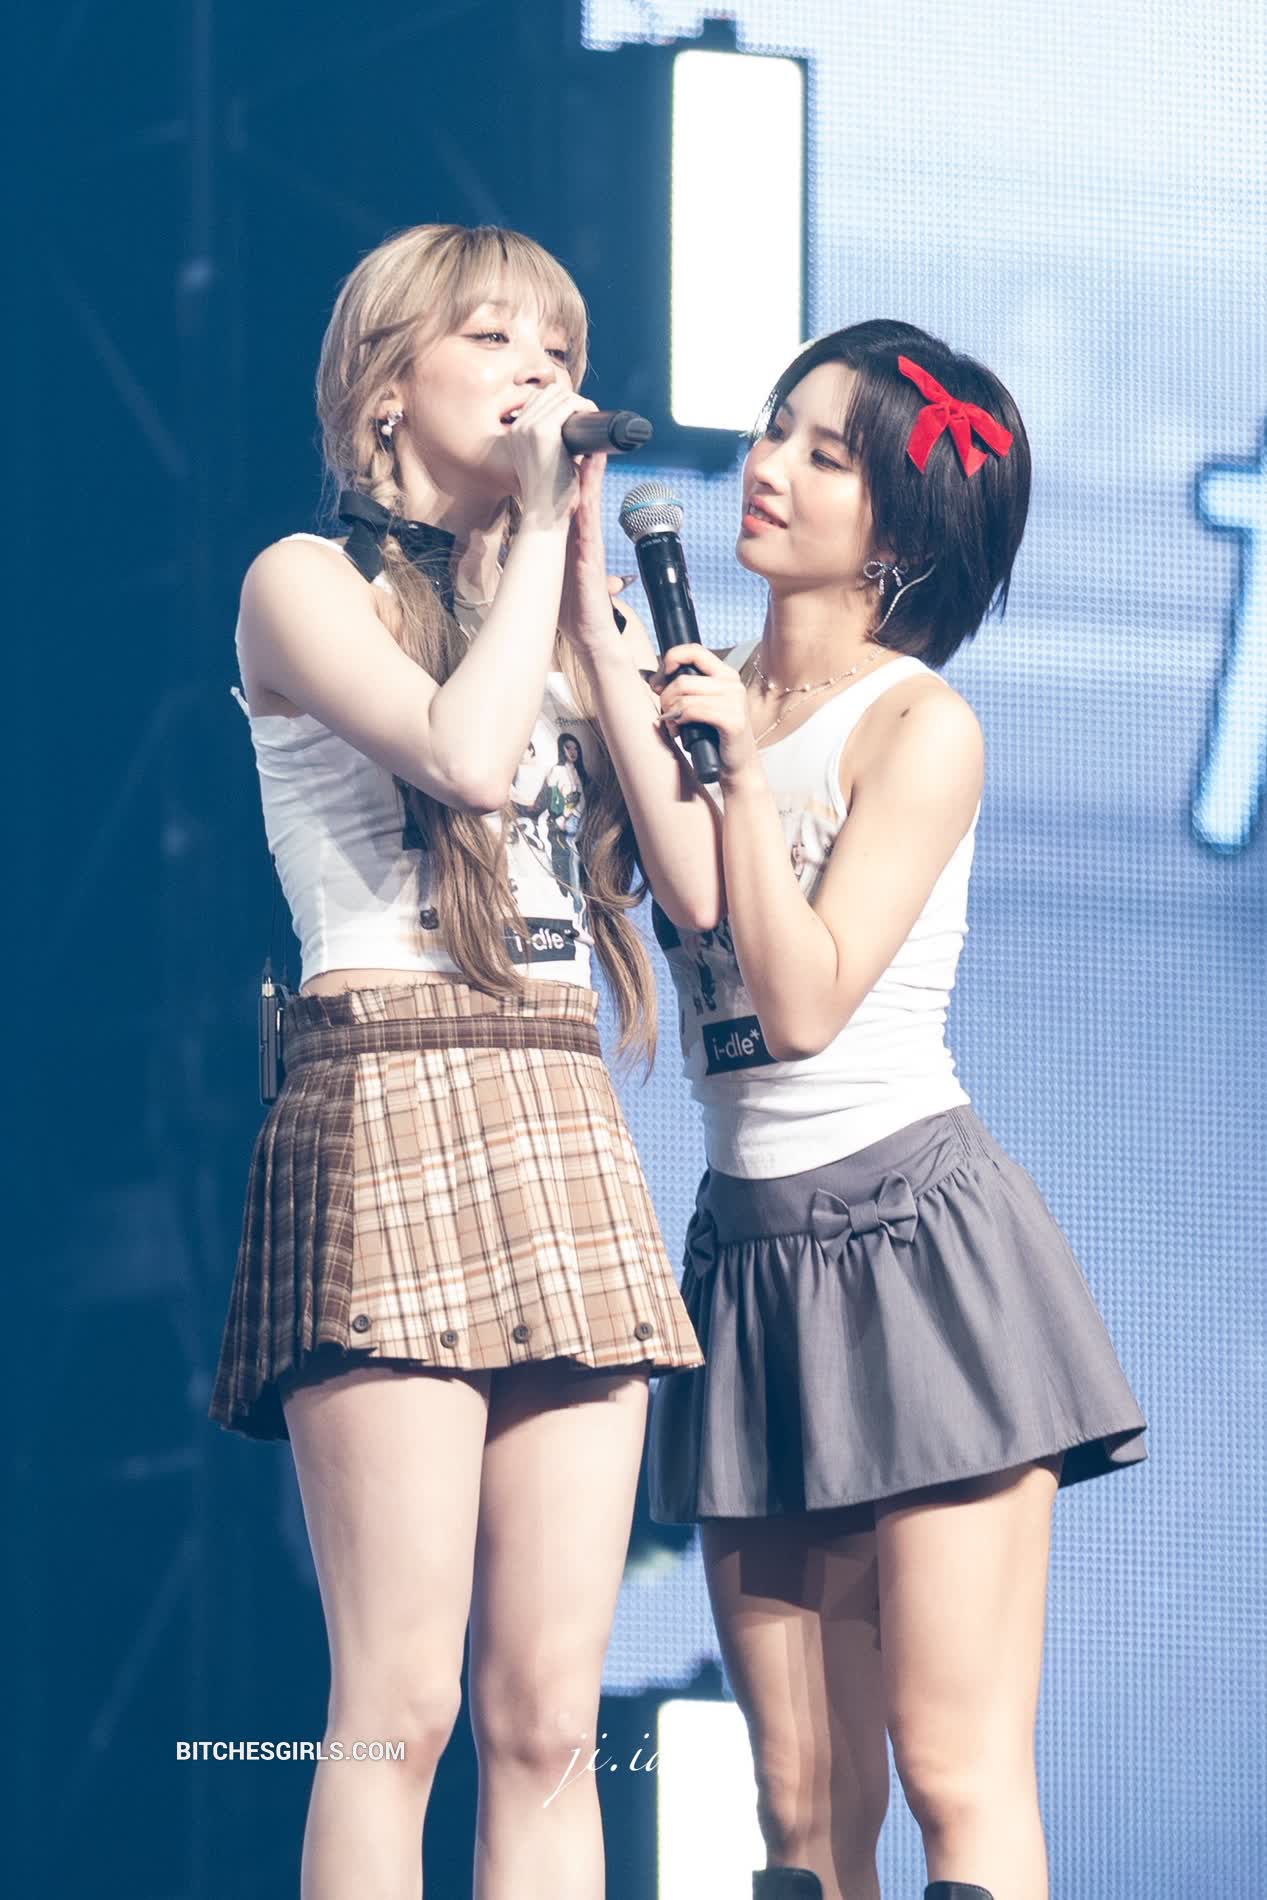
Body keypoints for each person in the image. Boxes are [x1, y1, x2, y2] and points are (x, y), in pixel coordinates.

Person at [574, 322, 1147, 1900]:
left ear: (902, 529)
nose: (769, 467)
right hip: (753, 1260)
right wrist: (605, 646)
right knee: (800, 1809)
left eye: (825, 454)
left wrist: (745, 775)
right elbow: (693, 902)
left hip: (914, 1253)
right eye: (776, 429)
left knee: (955, 1773)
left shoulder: (918, 724)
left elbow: (805, 1000)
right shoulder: (705, 690)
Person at [207, 222, 710, 1900]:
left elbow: (696, 890)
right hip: (391, 1089)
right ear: (385, 386)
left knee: (551, 1719)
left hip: (559, 1109)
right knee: (399, 1710)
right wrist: (544, 554)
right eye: (494, 340)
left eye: (559, 352)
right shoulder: (302, 583)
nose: (537, 375)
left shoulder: (571, 610)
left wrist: (606, 629)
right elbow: (465, 756)